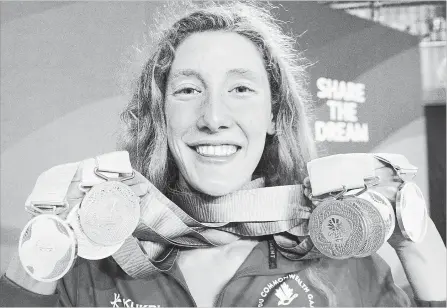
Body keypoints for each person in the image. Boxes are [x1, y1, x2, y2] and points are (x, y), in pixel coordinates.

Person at [1, 1, 446, 307]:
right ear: (161, 114)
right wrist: (49, 236)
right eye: (189, 90)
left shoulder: (345, 267)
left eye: (240, 89)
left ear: (274, 114)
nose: (213, 116)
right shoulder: (99, 267)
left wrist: (413, 232)